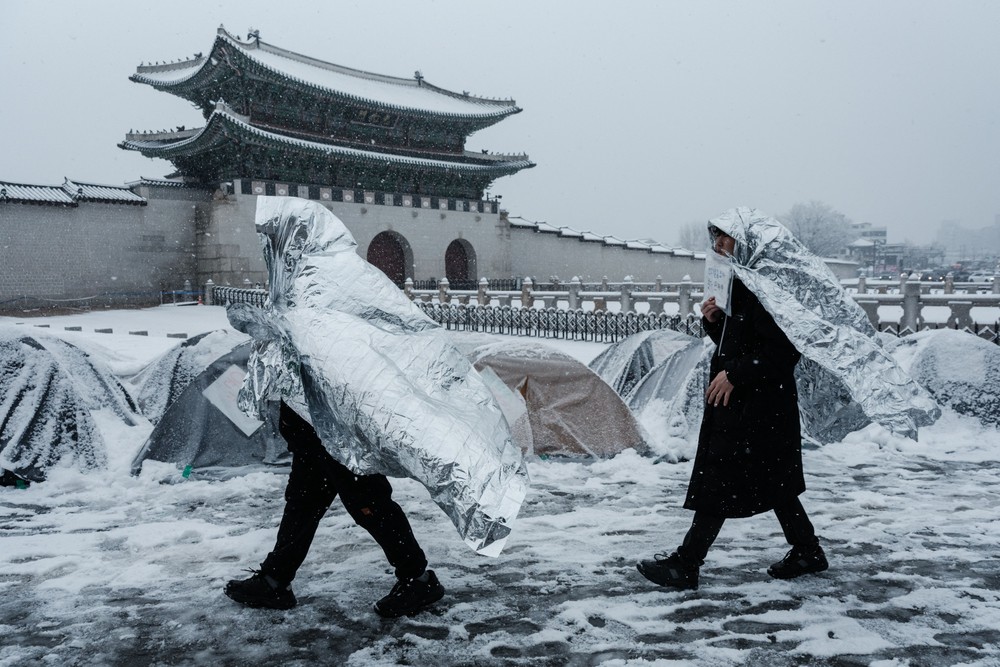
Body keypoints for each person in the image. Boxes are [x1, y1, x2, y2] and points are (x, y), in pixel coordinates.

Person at [637, 227, 827, 590]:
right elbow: (742, 342)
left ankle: (687, 563)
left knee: (721, 478)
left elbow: (783, 351)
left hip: (757, 407)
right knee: (774, 480)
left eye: (726, 239)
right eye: (716, 239)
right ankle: (807, 550)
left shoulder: (771, 289)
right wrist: (715, 323)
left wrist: (736, 375)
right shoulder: (739, 283)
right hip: (747, 404)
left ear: (749, 245)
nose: (718, 246)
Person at [224, 400, 445, 617]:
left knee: (370, 505)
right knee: (302, 504)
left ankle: (418, 579)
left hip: (340, 427)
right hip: (307, 428)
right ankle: (275, 580)